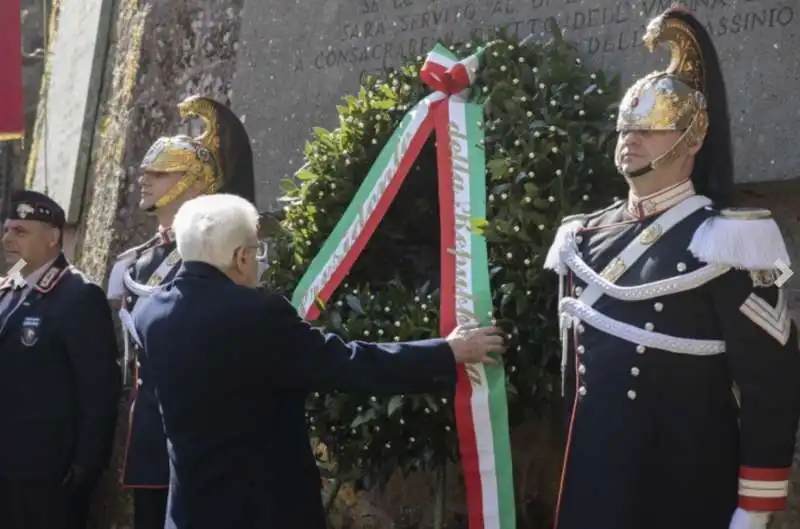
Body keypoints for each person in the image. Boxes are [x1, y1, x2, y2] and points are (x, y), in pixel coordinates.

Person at [543, 6, 800, 529]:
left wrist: (755, 505)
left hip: (683, 487)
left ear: (693, 138)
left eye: (651, 127)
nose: (631, 140)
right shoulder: (581, 237)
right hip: (595, 484)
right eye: (625, 127)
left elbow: (769, 383)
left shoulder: (732, 240)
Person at [130, 192, 506, 529]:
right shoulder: (254, 314)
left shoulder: (151, 313)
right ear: (241, 257)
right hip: (264, 510)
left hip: (189, 512)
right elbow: (347, 363)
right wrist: (447, 351)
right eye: (256, 251)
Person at [106, 94, 264, 529]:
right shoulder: (138, 262)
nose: (145, 179)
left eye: (160, 173)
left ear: (195, 182)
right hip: (150, 433)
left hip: (200, 432)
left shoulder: (217, 255)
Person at [0, 190, 120, 529]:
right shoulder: (7, 289)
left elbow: (99, 392)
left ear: (53, 237)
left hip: (46, 477)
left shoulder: (78, 296)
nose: (8, 238)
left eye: (20, 231)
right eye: (7, 229)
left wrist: (85, 468)